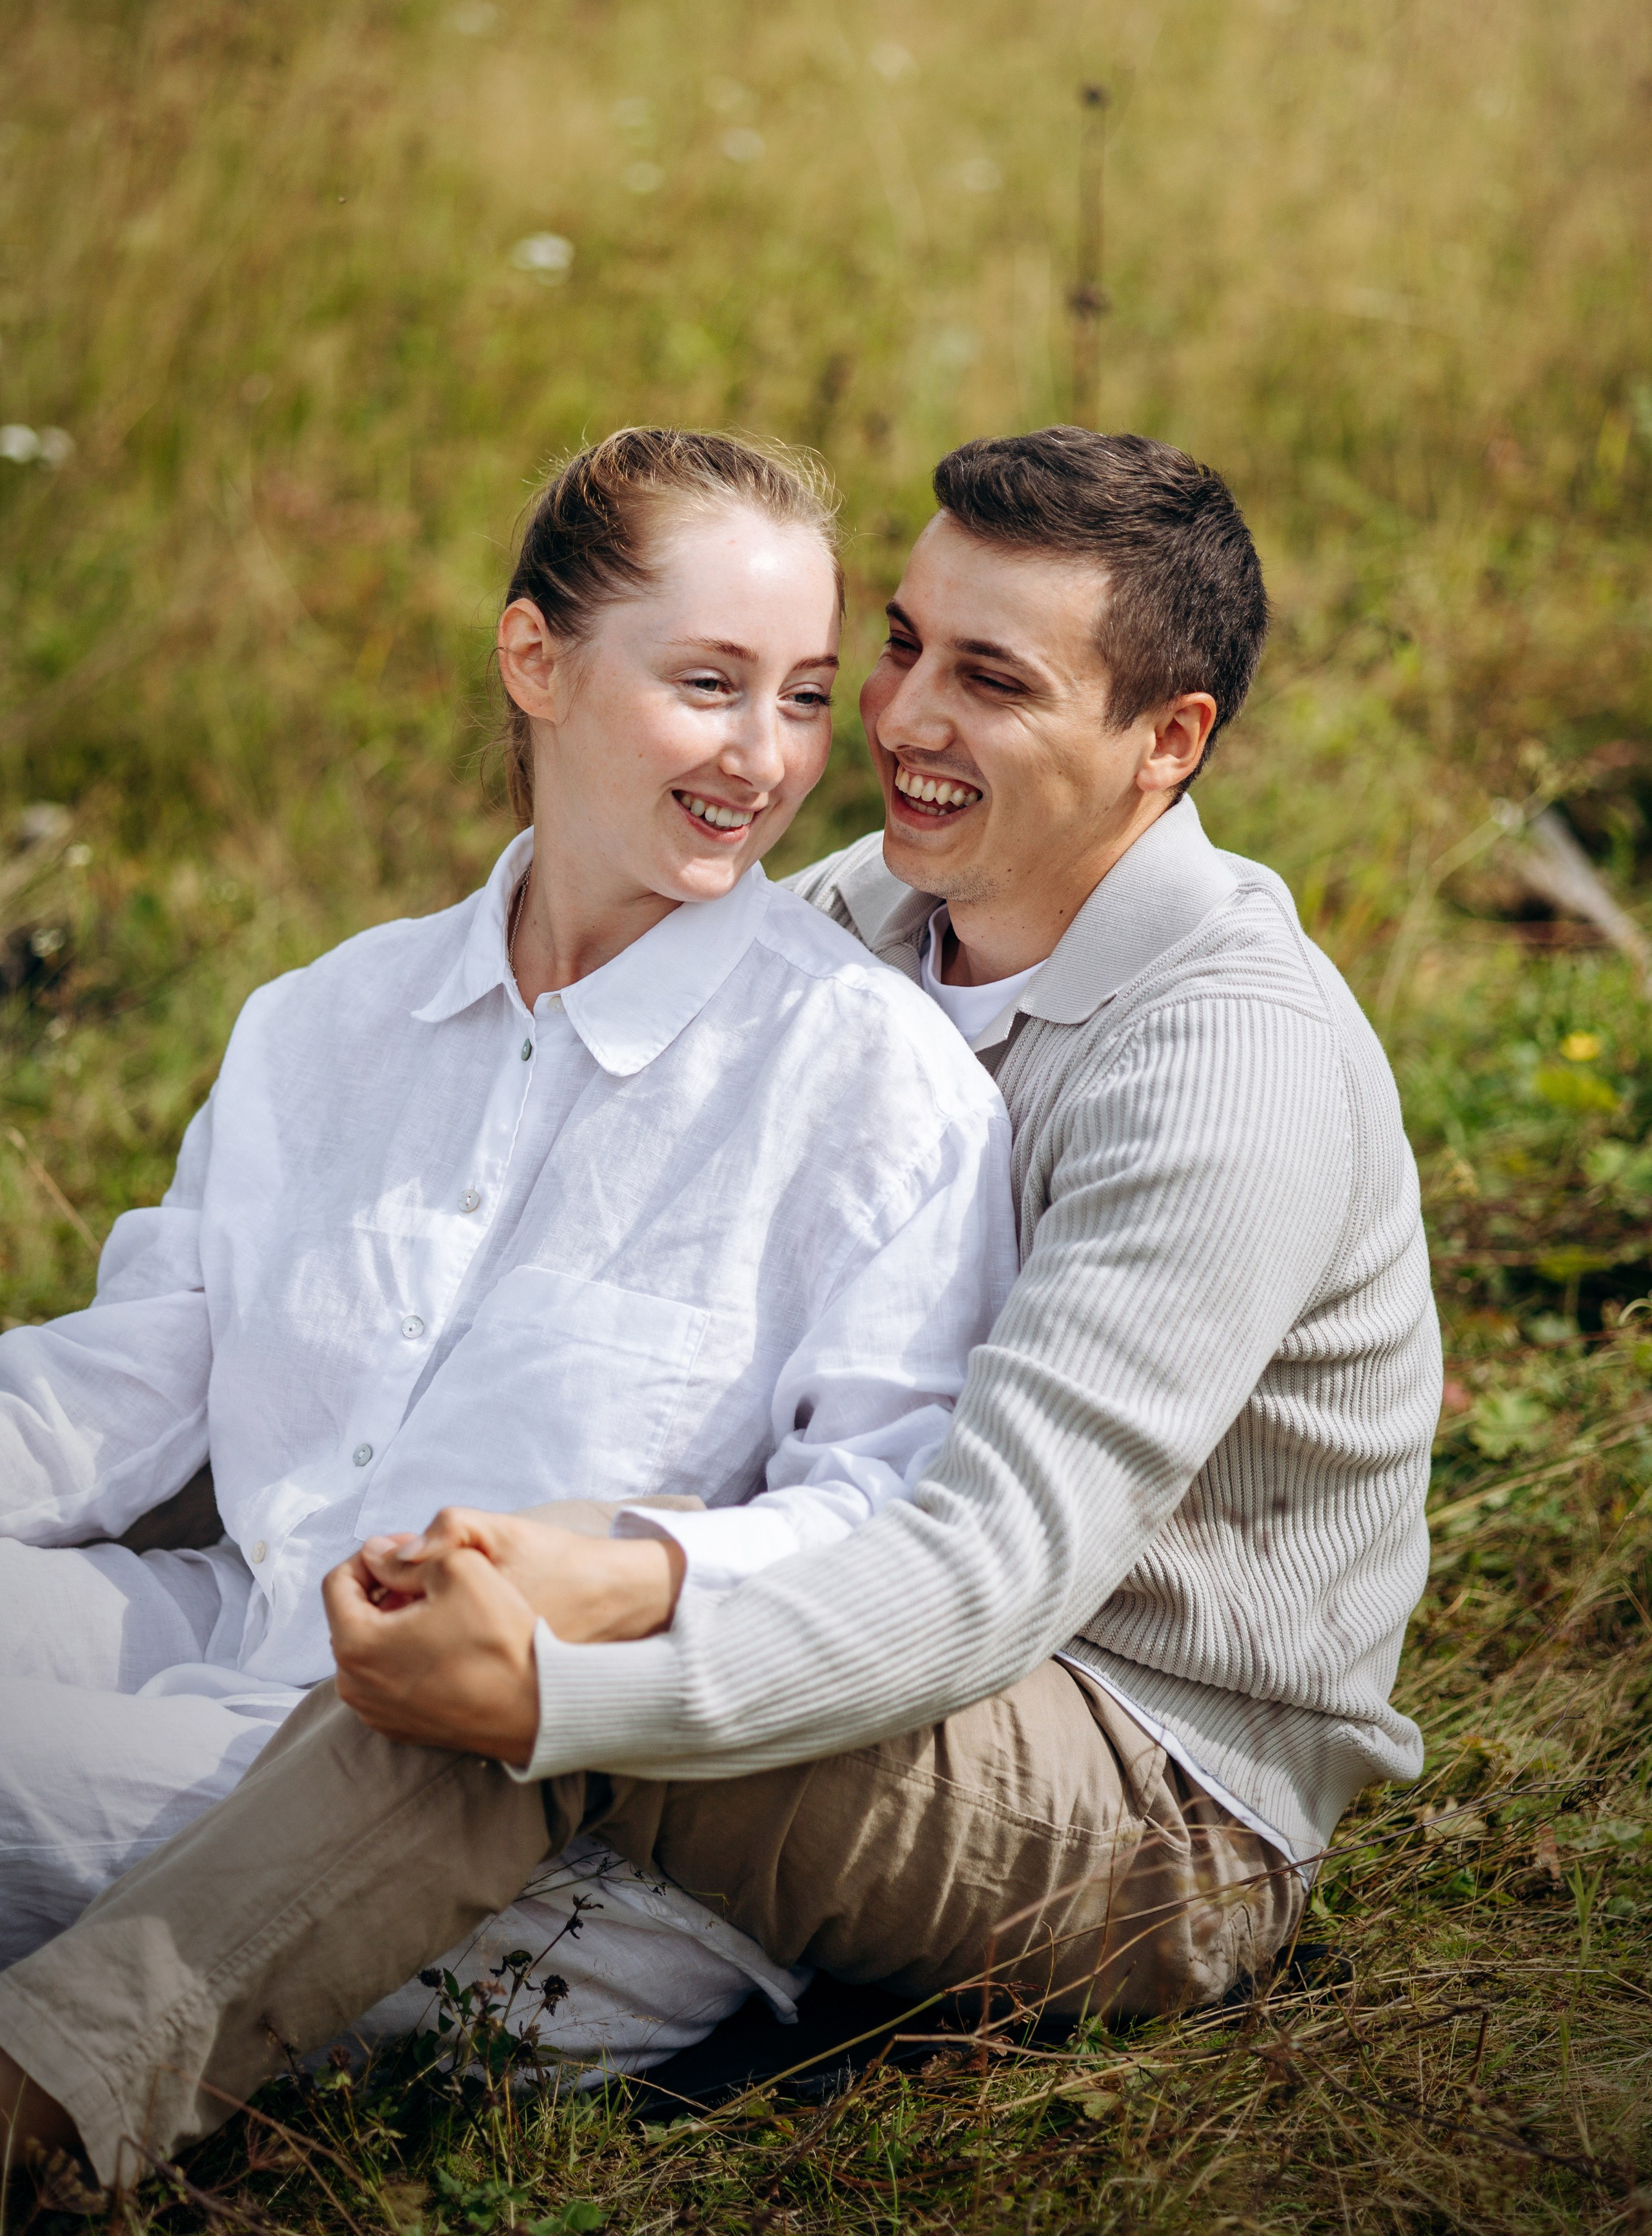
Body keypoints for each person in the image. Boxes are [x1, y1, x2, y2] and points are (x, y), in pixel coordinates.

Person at [0, 429, 1442, 2191]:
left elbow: (983, 1571)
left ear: (1169, 739)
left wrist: (602, 1618)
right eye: (900, 647)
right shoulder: (870, 918)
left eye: (992, 679)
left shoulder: (1227, 1066)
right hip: (907, 1645)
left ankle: (53, 2096)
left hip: (1140, 1771)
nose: (902, 718)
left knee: (532, 1685)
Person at [0, 429, 1019, 2158]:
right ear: (535, 659)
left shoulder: (874, 1087)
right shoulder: (324, 1023)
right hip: (229, 1628)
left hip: (520, 1823)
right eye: (708, 683)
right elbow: (128, 1382)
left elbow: (879, 1521)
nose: (766, 757)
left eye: (800, 697)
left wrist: (620, 1580)